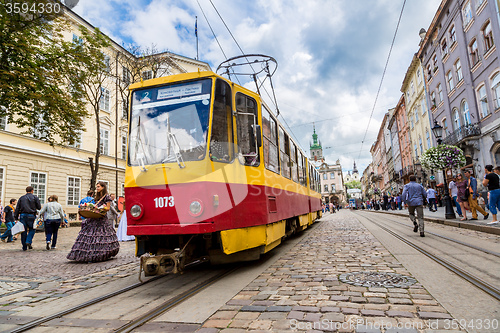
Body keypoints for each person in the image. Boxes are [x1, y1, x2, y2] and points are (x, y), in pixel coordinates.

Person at [67, 181, 120, 262]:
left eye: (98, 186)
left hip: (101, 218)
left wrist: (102, 208)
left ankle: (101, 253)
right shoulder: (97, 197)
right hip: (94, 217)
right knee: (88, 234)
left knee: (101, 235)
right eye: (97, 187)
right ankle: (85, 254)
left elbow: (108, 208)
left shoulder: (107, 197)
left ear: (103, 187)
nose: (97, 188)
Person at [14, 186, 41, 251]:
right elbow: (39, 207)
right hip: (31, 215)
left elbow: (17, 208)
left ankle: (24, 247)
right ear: (32, 190)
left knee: (23, 231)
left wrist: (16, 217)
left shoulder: (21, 198)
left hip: (23, 215)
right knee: (32, 229)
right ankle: (28, 241)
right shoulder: (35, 197)